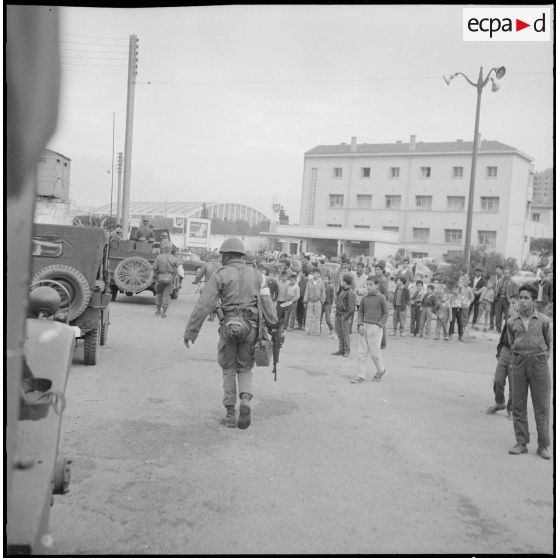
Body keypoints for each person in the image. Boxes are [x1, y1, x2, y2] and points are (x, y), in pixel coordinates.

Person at [183, 237, 267, 430]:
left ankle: (230, 414)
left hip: (228, 326)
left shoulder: (220, 275)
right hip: (251, 327)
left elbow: (204, 305)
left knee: (228, 368)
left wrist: (191, 332)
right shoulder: (257, 275)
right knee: (245, 367)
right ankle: (245, 401)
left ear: (228, 255)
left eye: (222, 255)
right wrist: (272, 328)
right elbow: (267, 303)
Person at [506, 284, 551, 459]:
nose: (522, 301)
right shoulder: (511, 321)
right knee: (518, 404)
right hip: (518, 363)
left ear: (533, 301)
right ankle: (521, 443)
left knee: (542, 405)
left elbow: (549, 343)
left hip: (538, 363)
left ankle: (543, 445)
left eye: (526, 298)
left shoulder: (543, 320)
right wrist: (519, 357)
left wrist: (540, 359)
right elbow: (512, 342)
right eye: (520, 298)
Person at [486, 295, 519, 418]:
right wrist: (499, 350)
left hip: (517, 355)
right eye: (511, 304)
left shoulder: (527, 321)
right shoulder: (509, 319)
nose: (511, 307)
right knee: (498, 380)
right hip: (505, 351)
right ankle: (499, 403)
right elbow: (503, 335)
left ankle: (511, 410)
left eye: (514, 304)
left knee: (514, 385)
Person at [351, 277, 388, 383]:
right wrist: (360, 325)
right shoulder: (364, 298)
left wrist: (380, 325)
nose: (368, 286)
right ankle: (361, 375)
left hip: (376, 328)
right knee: (362, 353)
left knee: (374, 353)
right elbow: (361, 313)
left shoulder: (381, 298)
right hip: (364, 327)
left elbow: (385, 313)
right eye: (367, 284)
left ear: (377, 285)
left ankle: (381, 370)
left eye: (371, 284)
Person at [332, 274, 356, 358]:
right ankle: (341, 349)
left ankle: (347, 351)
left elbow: (352, 308)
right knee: (340, 333)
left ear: (345, 282)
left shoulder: (350, 293)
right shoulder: (342, 290)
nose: (341, 282)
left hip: (345, 315)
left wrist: (346, 318)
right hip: (339, 314)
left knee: (345, 334)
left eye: (342, 281)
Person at [152, 243, 178, 318]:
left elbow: (154, 268)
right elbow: (178, 268)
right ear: (171, 250)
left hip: (160, 277)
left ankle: (158, 311)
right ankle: (163, 313)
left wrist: (155, 276)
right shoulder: (174, 258)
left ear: (163, 249)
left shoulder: (159, 257)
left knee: (159, 293)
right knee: (167, 295)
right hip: (170, 278)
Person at [303, 268, 326, 335]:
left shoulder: (321, 283)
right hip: (310, 301)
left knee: (317, 317)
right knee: (308, 317)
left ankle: (317, 331)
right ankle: (307, 331)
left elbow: (323, 293)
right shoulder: (309, 282)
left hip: (318, 301)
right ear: (312, 274)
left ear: (319, 274)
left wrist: (322, 301)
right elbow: (306, 292)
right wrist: (305, 301)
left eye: (317, 273)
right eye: (314, 273)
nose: (315, 275)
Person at [494, 268, 518, 332]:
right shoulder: (500, 281)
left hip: (507, 300)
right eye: (504, 273)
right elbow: (496, 290)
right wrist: (496, 295)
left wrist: (511, 298)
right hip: (499, 299)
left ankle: (507, 330)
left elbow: (516, 293)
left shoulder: (513, 283)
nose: (505, 274)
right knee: (498, 315)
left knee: (508, 316)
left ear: (510, 274)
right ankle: (498, 328)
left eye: (507, 273)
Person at [321, 275, 336, 339]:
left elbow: (332, 297)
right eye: (324, 278)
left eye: (326, 279)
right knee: (319, 317)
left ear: (329, 280)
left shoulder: (331, 287)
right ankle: (318, 330)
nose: (325, 280)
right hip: (321, 303)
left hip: (327, 304)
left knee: (327, 318)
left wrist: (330, 304)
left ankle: (332, 329)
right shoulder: (321, 286)